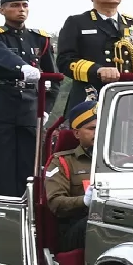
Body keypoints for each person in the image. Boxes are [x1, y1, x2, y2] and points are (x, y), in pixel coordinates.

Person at [0, 0, 61, 198]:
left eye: (24, 5)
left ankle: (30, 208)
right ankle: (5, 210)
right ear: (2, 11)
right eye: (15, 5)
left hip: (30, 106)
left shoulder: (40, 39)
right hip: (2, 104)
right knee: (2, 165)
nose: (21, 9)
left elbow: (53, 78)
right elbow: (0, 55)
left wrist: (46, 108)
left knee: (30, 165)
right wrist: (21, 68)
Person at [57, 0, 133, 115]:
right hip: (89, 99)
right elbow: (64, 61)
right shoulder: (77, 22)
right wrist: (97, 70)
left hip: (126, 101)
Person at [45, 101, 98, 251]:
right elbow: (55, 203)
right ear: (76, 133)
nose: (98, 132)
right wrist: (84, 201)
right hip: (76, 227)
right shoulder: (62, 162)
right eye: (92, 128)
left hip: (113, 220)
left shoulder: (118, 160)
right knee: (97, 224)